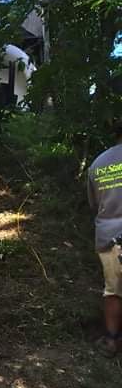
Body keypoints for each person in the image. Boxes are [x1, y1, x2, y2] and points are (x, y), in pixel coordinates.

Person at [88, 123, 122, 355]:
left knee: (113, 290)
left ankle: (111, 341)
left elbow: (94, 203)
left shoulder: (99, 163)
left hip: (109, 236)